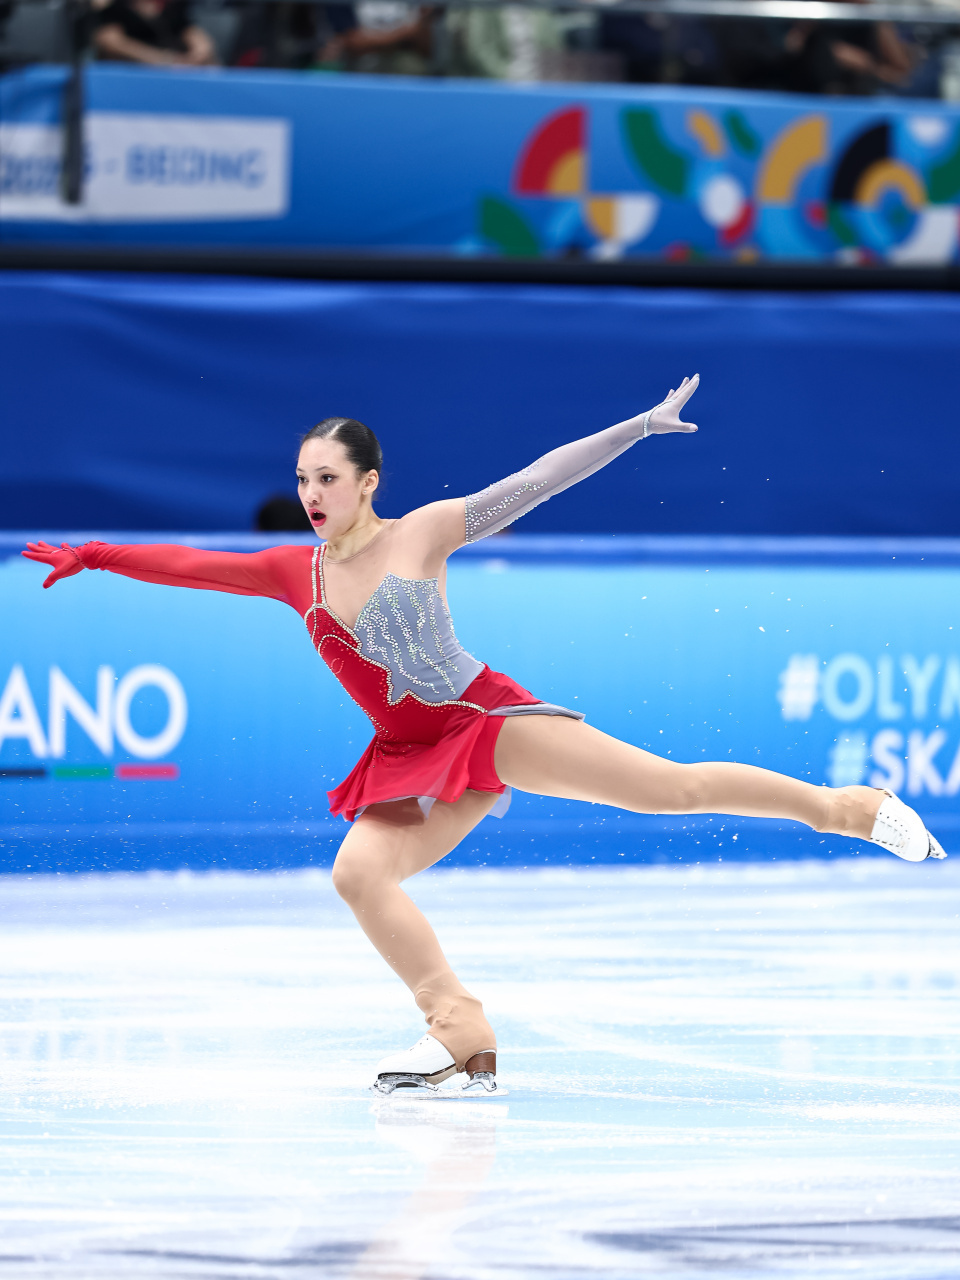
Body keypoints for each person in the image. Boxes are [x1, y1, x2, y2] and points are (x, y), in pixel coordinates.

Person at [22, 376, 945, 1098]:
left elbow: (536, 480)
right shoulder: (292, 572)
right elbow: (191, 564)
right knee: (358, 874)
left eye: (328, 479)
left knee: (671, 788)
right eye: (302, 479)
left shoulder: (422, 534)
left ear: (368, 482)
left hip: (485, 723)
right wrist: (95, 555)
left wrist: (634, 429)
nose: (311, 494)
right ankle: (459, 1031)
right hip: (409, 755)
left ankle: (847, 808)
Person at [93, 0, 217, 68]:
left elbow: (195, 36)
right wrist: (162, 60)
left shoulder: (172, 9)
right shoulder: (117, 8)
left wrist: (198, 53)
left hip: (177, 70)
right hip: (134, 71)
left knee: (211, 64)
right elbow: (109, 41)